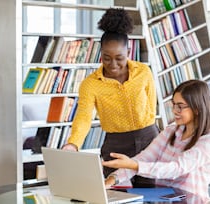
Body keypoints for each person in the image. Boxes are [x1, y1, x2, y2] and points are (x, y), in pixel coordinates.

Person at [62, 8, 159, 187]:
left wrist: (152, 134)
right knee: (113, 193)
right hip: (116, 144)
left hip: (148, 141)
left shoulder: (144, 72)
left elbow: (152, 107)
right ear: (100, 54)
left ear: (128, 52)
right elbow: (83, 117)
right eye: (106, 58)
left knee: (150, 194)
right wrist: (73, 144)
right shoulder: (90, 84)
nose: (113, 65)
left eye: (119, 58)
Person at [102, 79, 210, 202]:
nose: (175, 111)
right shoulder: (170, 132)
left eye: (180, 106)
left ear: (197, 109)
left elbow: (176, 169)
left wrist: (134, 165)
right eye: (174, 105)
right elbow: (143, 158)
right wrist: (111, 180)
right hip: (161, 199)